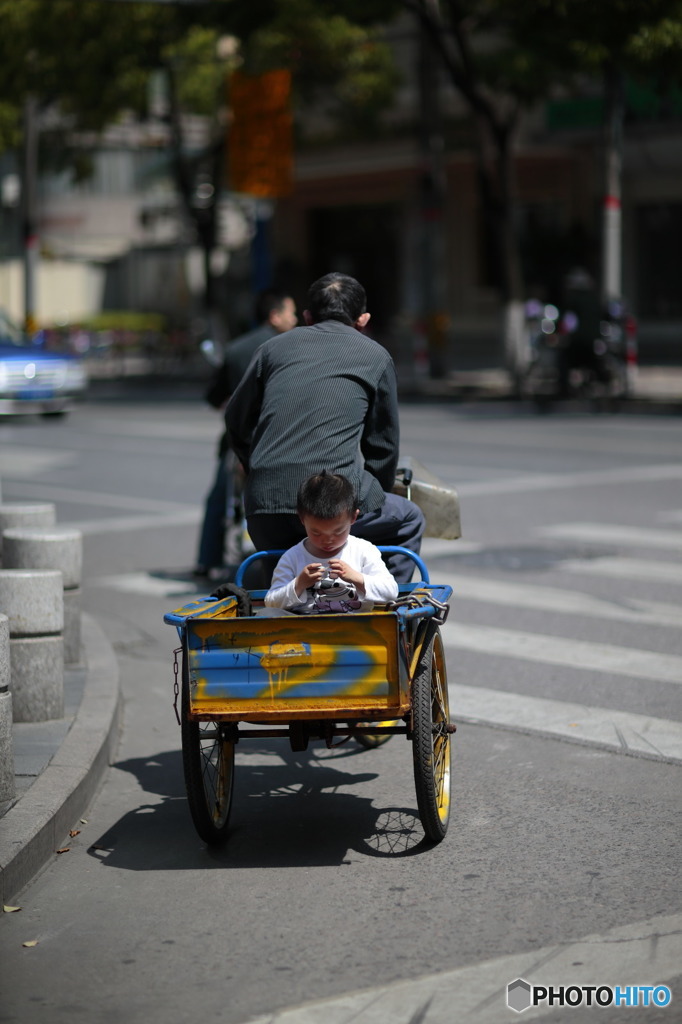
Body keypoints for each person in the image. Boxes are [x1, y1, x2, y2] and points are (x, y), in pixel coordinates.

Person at [225, 271, 425, 583]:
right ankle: (386, 606)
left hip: (265, 508)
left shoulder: (271, 349)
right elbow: (382, 446)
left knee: (280, 591)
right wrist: (373, 495)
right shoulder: (375, 355)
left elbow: (236, 419)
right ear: (363, 319)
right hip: (335, 507)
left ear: (306, 317)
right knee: (409, 518)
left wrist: (259, 469)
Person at [194, 289, 297, 576]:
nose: (296, 319)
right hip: (284, 442)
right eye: (291, 313)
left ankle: (207, 559)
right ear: (275, 316)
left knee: (218, 500)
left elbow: (215, 397)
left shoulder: (237, 349)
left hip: (240, 442)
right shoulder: (291, 347)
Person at [265, 471, 399, 613]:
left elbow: (391, 592)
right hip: (305, 631)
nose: (328, 540)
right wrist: (299, 584)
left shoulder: (364, 551)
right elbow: (271, 602)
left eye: (338, 532)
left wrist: (357, 578)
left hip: (358, 629)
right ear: (302, 519)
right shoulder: (293, 557)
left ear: (353, 517)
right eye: (316, 532)